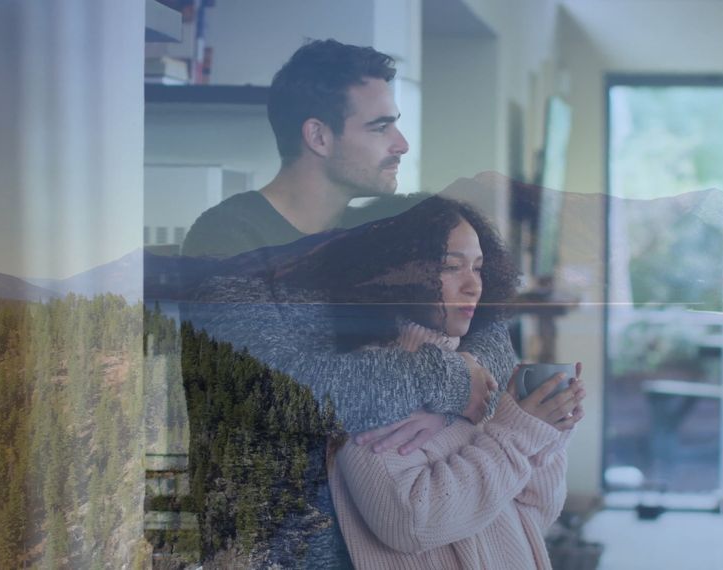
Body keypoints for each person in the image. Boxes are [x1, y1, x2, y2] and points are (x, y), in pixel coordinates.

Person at [179, 40, 507, 567]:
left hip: (387, 542)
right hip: (279, 552)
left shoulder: (382, 227)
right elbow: (282, 392)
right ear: (318, 136)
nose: (400, 142)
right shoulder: (228, 239)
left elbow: (492, 327)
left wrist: (471, 376)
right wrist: (447, 381)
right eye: (380, 126)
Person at [271, 195, 585, 569]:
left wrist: (545, 433)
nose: (473, 286)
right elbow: (411, 523)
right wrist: (517, 435)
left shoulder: (477, 379)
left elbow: (536, 512)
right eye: (452, 267)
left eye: (479, 268)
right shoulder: (372, 387)